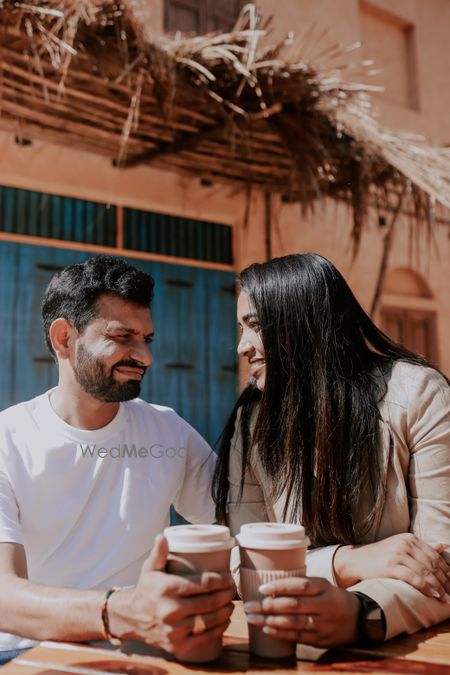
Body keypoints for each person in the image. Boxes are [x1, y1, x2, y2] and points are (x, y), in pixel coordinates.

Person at [0, 255, 234, 665]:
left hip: (140, 654)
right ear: (64, 338)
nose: (145, 356)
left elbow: (237, 530)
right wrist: (119, 612)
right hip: (26, 655)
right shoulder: (8, 439)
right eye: (123, 337)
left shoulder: (168, 432)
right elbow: (5, 596)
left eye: (147, 339)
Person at [213, 252, 450, 648]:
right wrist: (344, 562)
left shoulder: (418, 395)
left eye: (256, 326)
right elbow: (242, 559)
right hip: (283, 638)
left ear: (303, 322)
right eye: (241, 328)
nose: (242, 346)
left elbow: (441, 563)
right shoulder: (251, 420)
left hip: (407, 649)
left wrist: (360, 612)